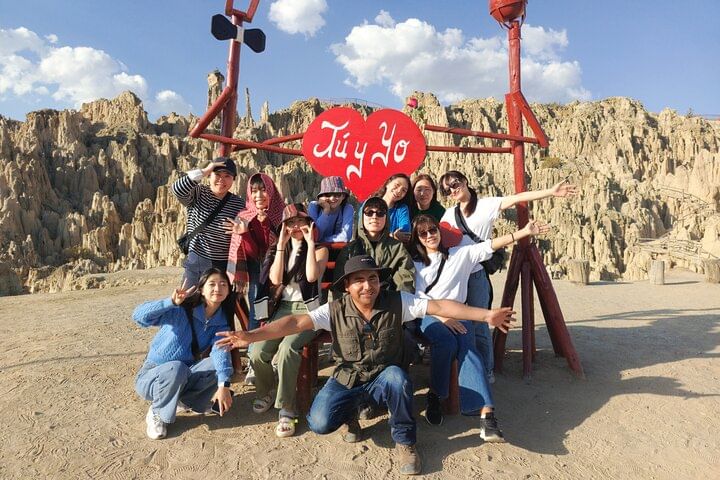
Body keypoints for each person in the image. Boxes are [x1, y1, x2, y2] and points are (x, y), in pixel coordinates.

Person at [216, 255, 516, 476]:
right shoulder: (333, 309)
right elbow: (294, 322)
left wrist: (486, 315)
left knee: (398, 378)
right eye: (359, 280)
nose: (367, 285)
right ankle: (352, 415)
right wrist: (250, 336)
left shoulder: (398, 301)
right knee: (319, 423)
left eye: (372, 278)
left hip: (385, 374)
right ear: (347, 286)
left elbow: (438, 306)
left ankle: (405, 442)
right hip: (348, 377)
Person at [409, 214, 549, 433]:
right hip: (430, 316)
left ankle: (487, 414)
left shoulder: (460, 254)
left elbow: (491, 245)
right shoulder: (416, 264)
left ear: (439, 231)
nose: (429, 236)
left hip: (460, 313)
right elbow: (418, 298)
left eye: (432, 230)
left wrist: (524, 232)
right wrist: (443, 317)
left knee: (468, 347)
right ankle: (436, 395)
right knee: (446, 342)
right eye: (423, 233)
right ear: (418, 238)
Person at [438, 170, 577, 381]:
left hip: (475, 275)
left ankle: (486, 370)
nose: (452, 190)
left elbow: (518, 197)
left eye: (455, 184)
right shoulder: (449, 214)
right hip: (455, 276)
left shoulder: (485, 206)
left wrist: (550, 191)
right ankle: (464, 370)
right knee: (456, 322)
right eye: (446, 190)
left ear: (465, 181)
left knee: (480, 324)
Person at [248, 203, 329, 438]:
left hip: (309, 311)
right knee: (257, 351)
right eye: (290, 223)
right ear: (283, 227)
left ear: (309, 224)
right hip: (282, 309)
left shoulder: (320, 249)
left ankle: (287, 408)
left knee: (287, 349)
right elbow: (275, 279)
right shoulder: (276, 250)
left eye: (300, 221)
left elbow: (312, 276)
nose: (295, 226)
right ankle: (266, 391)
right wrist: (282, 245)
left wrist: (310, 243)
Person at [133, 268, 235, 440]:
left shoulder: (221, 322)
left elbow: (220, 352)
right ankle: (157, 411)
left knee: (217, 365)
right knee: (176, 367)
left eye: (223, 284)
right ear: (201, 289)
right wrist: (170, 302)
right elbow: (138, 316)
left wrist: (223, 385)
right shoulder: (180, 309)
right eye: (212, 284)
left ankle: (183, 402)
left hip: (183, 375)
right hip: (152, 377)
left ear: (228, 290)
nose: (218, 288)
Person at [171, 157, 245, 287]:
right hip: (197, 260)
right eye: (217, 174)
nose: (221, 180)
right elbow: (177, 189)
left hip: (225, 264)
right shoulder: (198, 194)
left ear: (233, 179)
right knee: (190, 297)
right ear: (209, 176)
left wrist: (244, 230)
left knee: (219, 298)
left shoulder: (238, 204)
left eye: (227, 176)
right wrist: (205, 170)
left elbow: (246, 235)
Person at [335, 196, 415, 296]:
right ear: (362, 217)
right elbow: (340, 285)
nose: (374, 217)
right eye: (369, 212)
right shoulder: (350, 249)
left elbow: (405, 282)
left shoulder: (397, 248)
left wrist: (397, 302)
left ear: (386, 217)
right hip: (356, 301)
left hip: (388, 300)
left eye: (380, 213)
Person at [308, 176, 354, 242]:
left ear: (343, 196)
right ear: (322, 196)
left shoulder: (347, 208)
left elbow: (346, 237)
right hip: (316, 248)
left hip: (339, 248)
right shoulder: (314, 206)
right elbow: (314, 235)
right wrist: (326, 211)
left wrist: (323, 241)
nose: (332, 198)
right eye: (328, 194)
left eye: (337, 195)